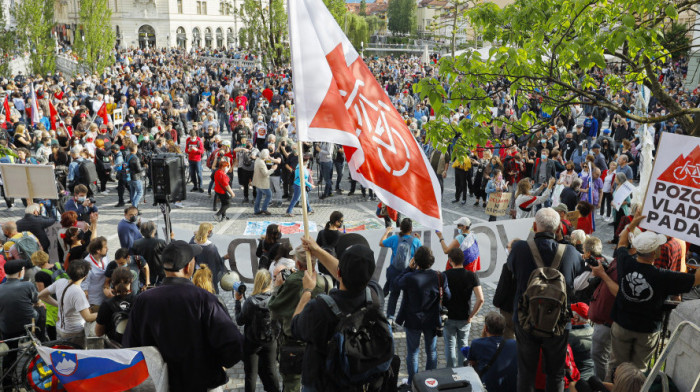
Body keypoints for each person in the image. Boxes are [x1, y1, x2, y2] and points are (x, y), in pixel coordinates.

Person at [123, 240, 244, 392]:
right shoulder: (205, 300)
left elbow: (130, 347)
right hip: (200, 384)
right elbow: (234, 345)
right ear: (189, 266)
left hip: (159, 385)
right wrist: (216, 364)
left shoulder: (143, 301)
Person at [592, 210, 700, 376]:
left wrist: (633, 223)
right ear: (655, 252)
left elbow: (621, 243)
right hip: (646, 331)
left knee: (615, 367)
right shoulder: (662, 276)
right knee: (638, 372)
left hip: (621, 324)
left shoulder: (624, 261)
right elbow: (695, 280)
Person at [292, 233, 390, 391]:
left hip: (323, 384)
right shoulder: (376, 295)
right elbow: (346, 271)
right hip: (359, 383)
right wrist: (317, 250)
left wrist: (306, 292)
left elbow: (295, 327)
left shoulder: (319, 308)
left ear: (338, 273)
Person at [508, 207, 584, 392]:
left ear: (534, 226)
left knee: (526, 372)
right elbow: (579, 273)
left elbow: (511, 270)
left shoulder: (520, 249)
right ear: (559, 229)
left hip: (526, 318)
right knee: (556, 373)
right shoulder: (571, 252)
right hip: (558, 321)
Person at [268, 244, 332, 392]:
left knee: (292, 384)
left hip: (293, 341)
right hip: (316, 341)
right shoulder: (324, 281)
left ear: (297, 263)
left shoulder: (293, 281)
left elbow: (274, 307)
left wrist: (277, 287)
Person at [395, 246, 450, 385]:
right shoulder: (439, 276)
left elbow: (396, 283)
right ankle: (429, 380)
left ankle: (413, 381)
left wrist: (408, 268)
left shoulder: (409, 277)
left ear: (416, 261)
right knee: (431, 351)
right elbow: (448, 296)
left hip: (412, 320)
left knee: (413, 353)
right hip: (431, 320)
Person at [234, 269, 280, 392]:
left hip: (251, 342)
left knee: (250, 375)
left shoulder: (250, 301)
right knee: (271, 372)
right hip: (270, 341)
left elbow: (239, 320)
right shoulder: (275, 299)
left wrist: (237, 302)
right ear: (270, 282)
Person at [38, 259, 97, 348]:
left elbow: (41, 295)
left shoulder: (60, 282)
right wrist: (103, 313)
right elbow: (87, 317)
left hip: (60, 328)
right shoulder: (78, 292)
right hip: (74, 332)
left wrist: (59, 304)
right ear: (85, 275)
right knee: (76, 357)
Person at [443, 248, 484, 368]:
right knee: (463, 344)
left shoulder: (445, 275)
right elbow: (480, 299)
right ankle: (463, 370)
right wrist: (472, 315)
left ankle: (450, 370)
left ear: (450, 260)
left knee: (450, 345)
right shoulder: (471, 276)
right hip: (465, 317)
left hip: (449, 316)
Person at [379, 218, 422, 321]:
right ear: (411, 229)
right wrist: (419, 240)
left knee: (394, 295)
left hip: (394, 272)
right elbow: (420, 255)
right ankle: (406, 317)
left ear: (400, 228)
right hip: (409, 272)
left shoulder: (394, 238)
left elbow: (381, 243)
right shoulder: (415, 241)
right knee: (407, 296)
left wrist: (386, 232)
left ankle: (390, 317)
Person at [467, 312, 518, 392]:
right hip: (510, 386)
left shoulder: (477, 343)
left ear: (486, 329)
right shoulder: (513, 344)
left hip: (489, 386)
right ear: (503, 329)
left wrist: (483, 337)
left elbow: (472, 362)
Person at [95, 266, 136, 346]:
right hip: (135, 347)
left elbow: (98, 333)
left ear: (112, 282)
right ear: (131, 280)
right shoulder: (140, 301)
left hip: (115, 347)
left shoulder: (106, 304)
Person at [191, 222, 227, 294]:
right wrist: (224, 258)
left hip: (196, 274)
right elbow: (217, 263)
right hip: (208, 278)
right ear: (209, 232)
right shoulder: (211, 248)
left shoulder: (192, 241)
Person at [131, 221, 167, 287]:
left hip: (143, 273)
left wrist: (140, 267)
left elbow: (135, 259)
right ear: (153, 231)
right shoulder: (160, 242)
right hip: (158, 274)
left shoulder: (136, 243)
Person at [82, 236, 110, 311]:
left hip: (106, 297)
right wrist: (87, 307)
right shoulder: (87, 264)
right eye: (105, 247)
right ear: (98, 250)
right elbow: (84, 288)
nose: (107, 249)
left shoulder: (105, 256)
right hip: (95, 302)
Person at [568, 302, 594, 381]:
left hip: (577, 380)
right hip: (592, 375)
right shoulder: (594, 331)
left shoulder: (572, 336)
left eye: (570, 314)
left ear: (576, 318)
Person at [315, 211, 343, 275]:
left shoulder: (321, 233)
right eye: (341, 221)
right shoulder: (341, 235)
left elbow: (316, 248)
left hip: (322, 265)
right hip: (334, 266)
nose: (342, 223)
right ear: (336, 222)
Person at [253, 149, 277, 215]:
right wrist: (273, 169)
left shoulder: (257, 160)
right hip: (262, 183)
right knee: (269, 195)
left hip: (258, 181)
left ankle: (256, 210)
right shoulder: (261, 162)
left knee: (259, 196)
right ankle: (264, 209)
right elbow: (265, 173)